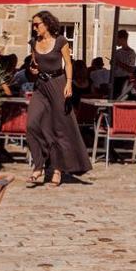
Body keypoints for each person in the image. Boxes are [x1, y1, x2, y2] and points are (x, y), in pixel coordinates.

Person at [26, 11, 90, 186]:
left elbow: (68, 63)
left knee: (58, 129)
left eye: (37, 24)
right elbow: (35, 64)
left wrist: (69, 83)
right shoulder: (34, 42)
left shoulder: (61, 41)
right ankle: (39, 165)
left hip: (58, 84)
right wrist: (34, 70)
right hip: (40, 87)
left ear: (46, 24)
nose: (34, 27)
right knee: (31, 125)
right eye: (33, 24)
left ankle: (57, 169)